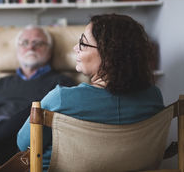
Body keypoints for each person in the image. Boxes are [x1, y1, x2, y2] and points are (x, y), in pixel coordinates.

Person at [17, 14, 165, 171]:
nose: (75, 48)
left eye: (83, 43)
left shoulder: (61, 99)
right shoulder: (154, 97)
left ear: (108, 55)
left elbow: (24, 144)